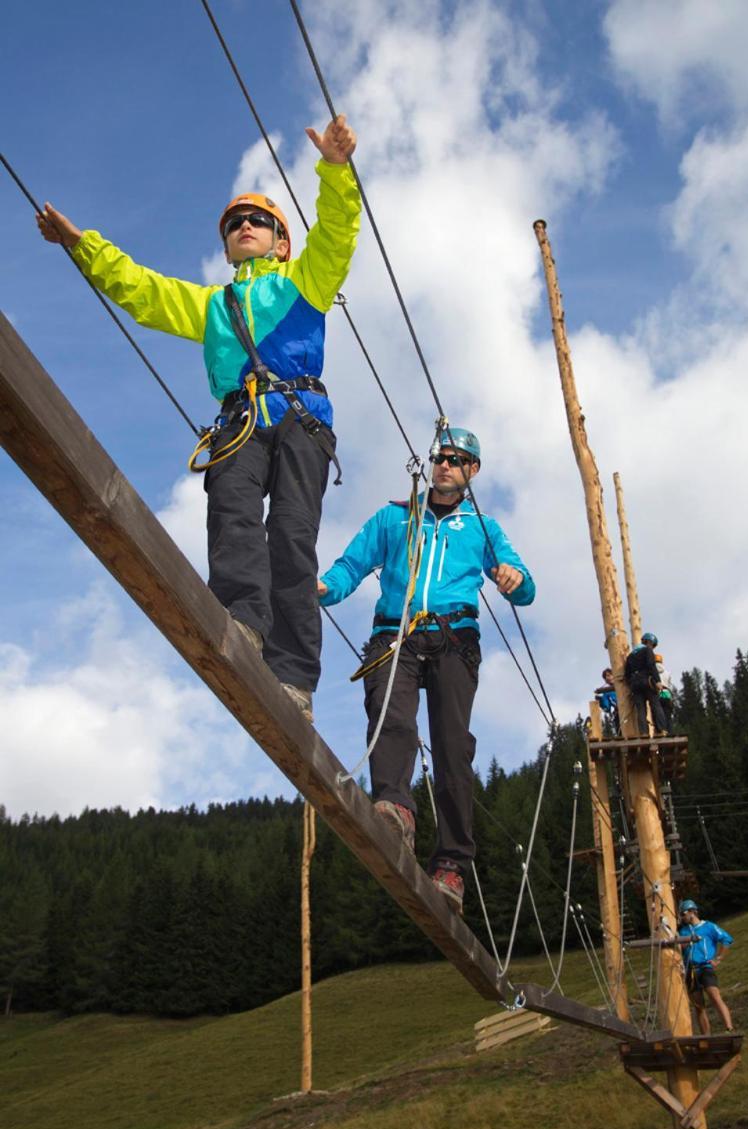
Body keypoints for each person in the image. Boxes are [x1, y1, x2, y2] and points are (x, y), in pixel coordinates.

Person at [36, 116, 361, 722]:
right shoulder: (212, 305)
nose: (243, 227)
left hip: (300, 416)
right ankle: (242, 623)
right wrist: (85, 248)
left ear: (280, 241)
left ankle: (293, 678)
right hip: (239, 418)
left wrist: (336, 172)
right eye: (234, 223)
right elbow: (146, 292)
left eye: (256, 220)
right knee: (231, 513)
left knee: (291, 537)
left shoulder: (305, 280)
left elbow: (337, 235)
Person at [317, 428, 535, 914]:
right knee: (390, 714)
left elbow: (525, 587)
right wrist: (325, 587)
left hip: (454, 638)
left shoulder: (482, 528)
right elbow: (351, 565)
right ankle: (396, 808)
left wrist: (513, 579)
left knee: (453, 749)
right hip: (396, 633)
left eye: (457, 460)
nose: (445, 466)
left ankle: (452, 865)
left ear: (472, 471)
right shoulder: (395, 518)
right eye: (440, 457)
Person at [679, 899, 735, 1034]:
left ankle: (729, 1028)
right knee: (699, 1006)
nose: (682, 917)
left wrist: (718, 958)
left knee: (715, 996)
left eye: (683, 914)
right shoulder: (683, 931)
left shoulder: (708, 926)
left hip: (705, 967)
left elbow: (727, 940)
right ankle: (706, 1036)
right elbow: (678, 949)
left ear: (692, 912)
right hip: (691, 970)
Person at [624, 632, 668, 737]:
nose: (652, 647)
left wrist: (631, 684)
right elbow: (651, 665)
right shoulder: (647, 650)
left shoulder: (630, 656)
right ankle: (662, 730)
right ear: (648, 642)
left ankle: (644, 733)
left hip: (635, 684)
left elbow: (627, 674)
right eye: (652, 644)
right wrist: (657, 681)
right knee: (656, 705)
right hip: (647, 681)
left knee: (641, 709)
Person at [595, 667, 620, 735]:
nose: (607, 678)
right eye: (605, 677)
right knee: (620, 732)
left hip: (630, 710)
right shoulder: (607, 692)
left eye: (609, 675)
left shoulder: (623, 683)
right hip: (618, 714)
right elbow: (607, 708)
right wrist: (600, 701)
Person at [655, 652, 675, 735]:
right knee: (668, 716)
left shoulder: (652, 672)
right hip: (667, 694)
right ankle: (669, 733)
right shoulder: (667, 673)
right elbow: (670, 685)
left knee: (658, 715)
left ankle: (661, 731)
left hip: (657, 694)